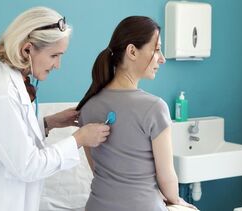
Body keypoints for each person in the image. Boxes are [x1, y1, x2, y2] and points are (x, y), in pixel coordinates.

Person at [0, 7, 110, 211]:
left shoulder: (8, 78)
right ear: (27, 50)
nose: (58, 65)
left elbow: (12, 138)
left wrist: (49, 123)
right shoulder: (1, 92)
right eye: (54, 55)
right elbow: (27, 165)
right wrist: (79, 139)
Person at [77, 16, 197, 211]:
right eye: (157, 49)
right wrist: (176, 200)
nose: (162, 58)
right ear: (132, 51)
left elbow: (97, 171)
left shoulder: (88, 106)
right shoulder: (155, 107)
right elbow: (166, 176)